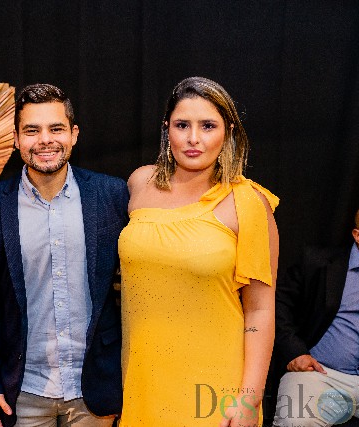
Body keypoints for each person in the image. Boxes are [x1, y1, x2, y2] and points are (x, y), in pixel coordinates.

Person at [118, 77, 279, 427]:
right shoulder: (139, 183)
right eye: (182, 125)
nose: (193, 138)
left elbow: (260, 310)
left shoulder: (248, 203)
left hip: (214, 390)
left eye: (208, 126)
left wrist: (249, 399)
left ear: (228, 132)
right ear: (166, 130)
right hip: (143, 381)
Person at [0, 83, 128, 427]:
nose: (45, 140)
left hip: (95, 389)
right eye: (32, 130)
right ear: (16, 138)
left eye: (56, 128)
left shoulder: (112, 195)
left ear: (74, 134)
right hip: (22, 391)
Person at [272, 209, 359, 426]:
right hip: (321, 375)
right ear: (357, 236)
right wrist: (295, 352)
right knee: (296, 421)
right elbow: (278, 305)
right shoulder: (317, 262)